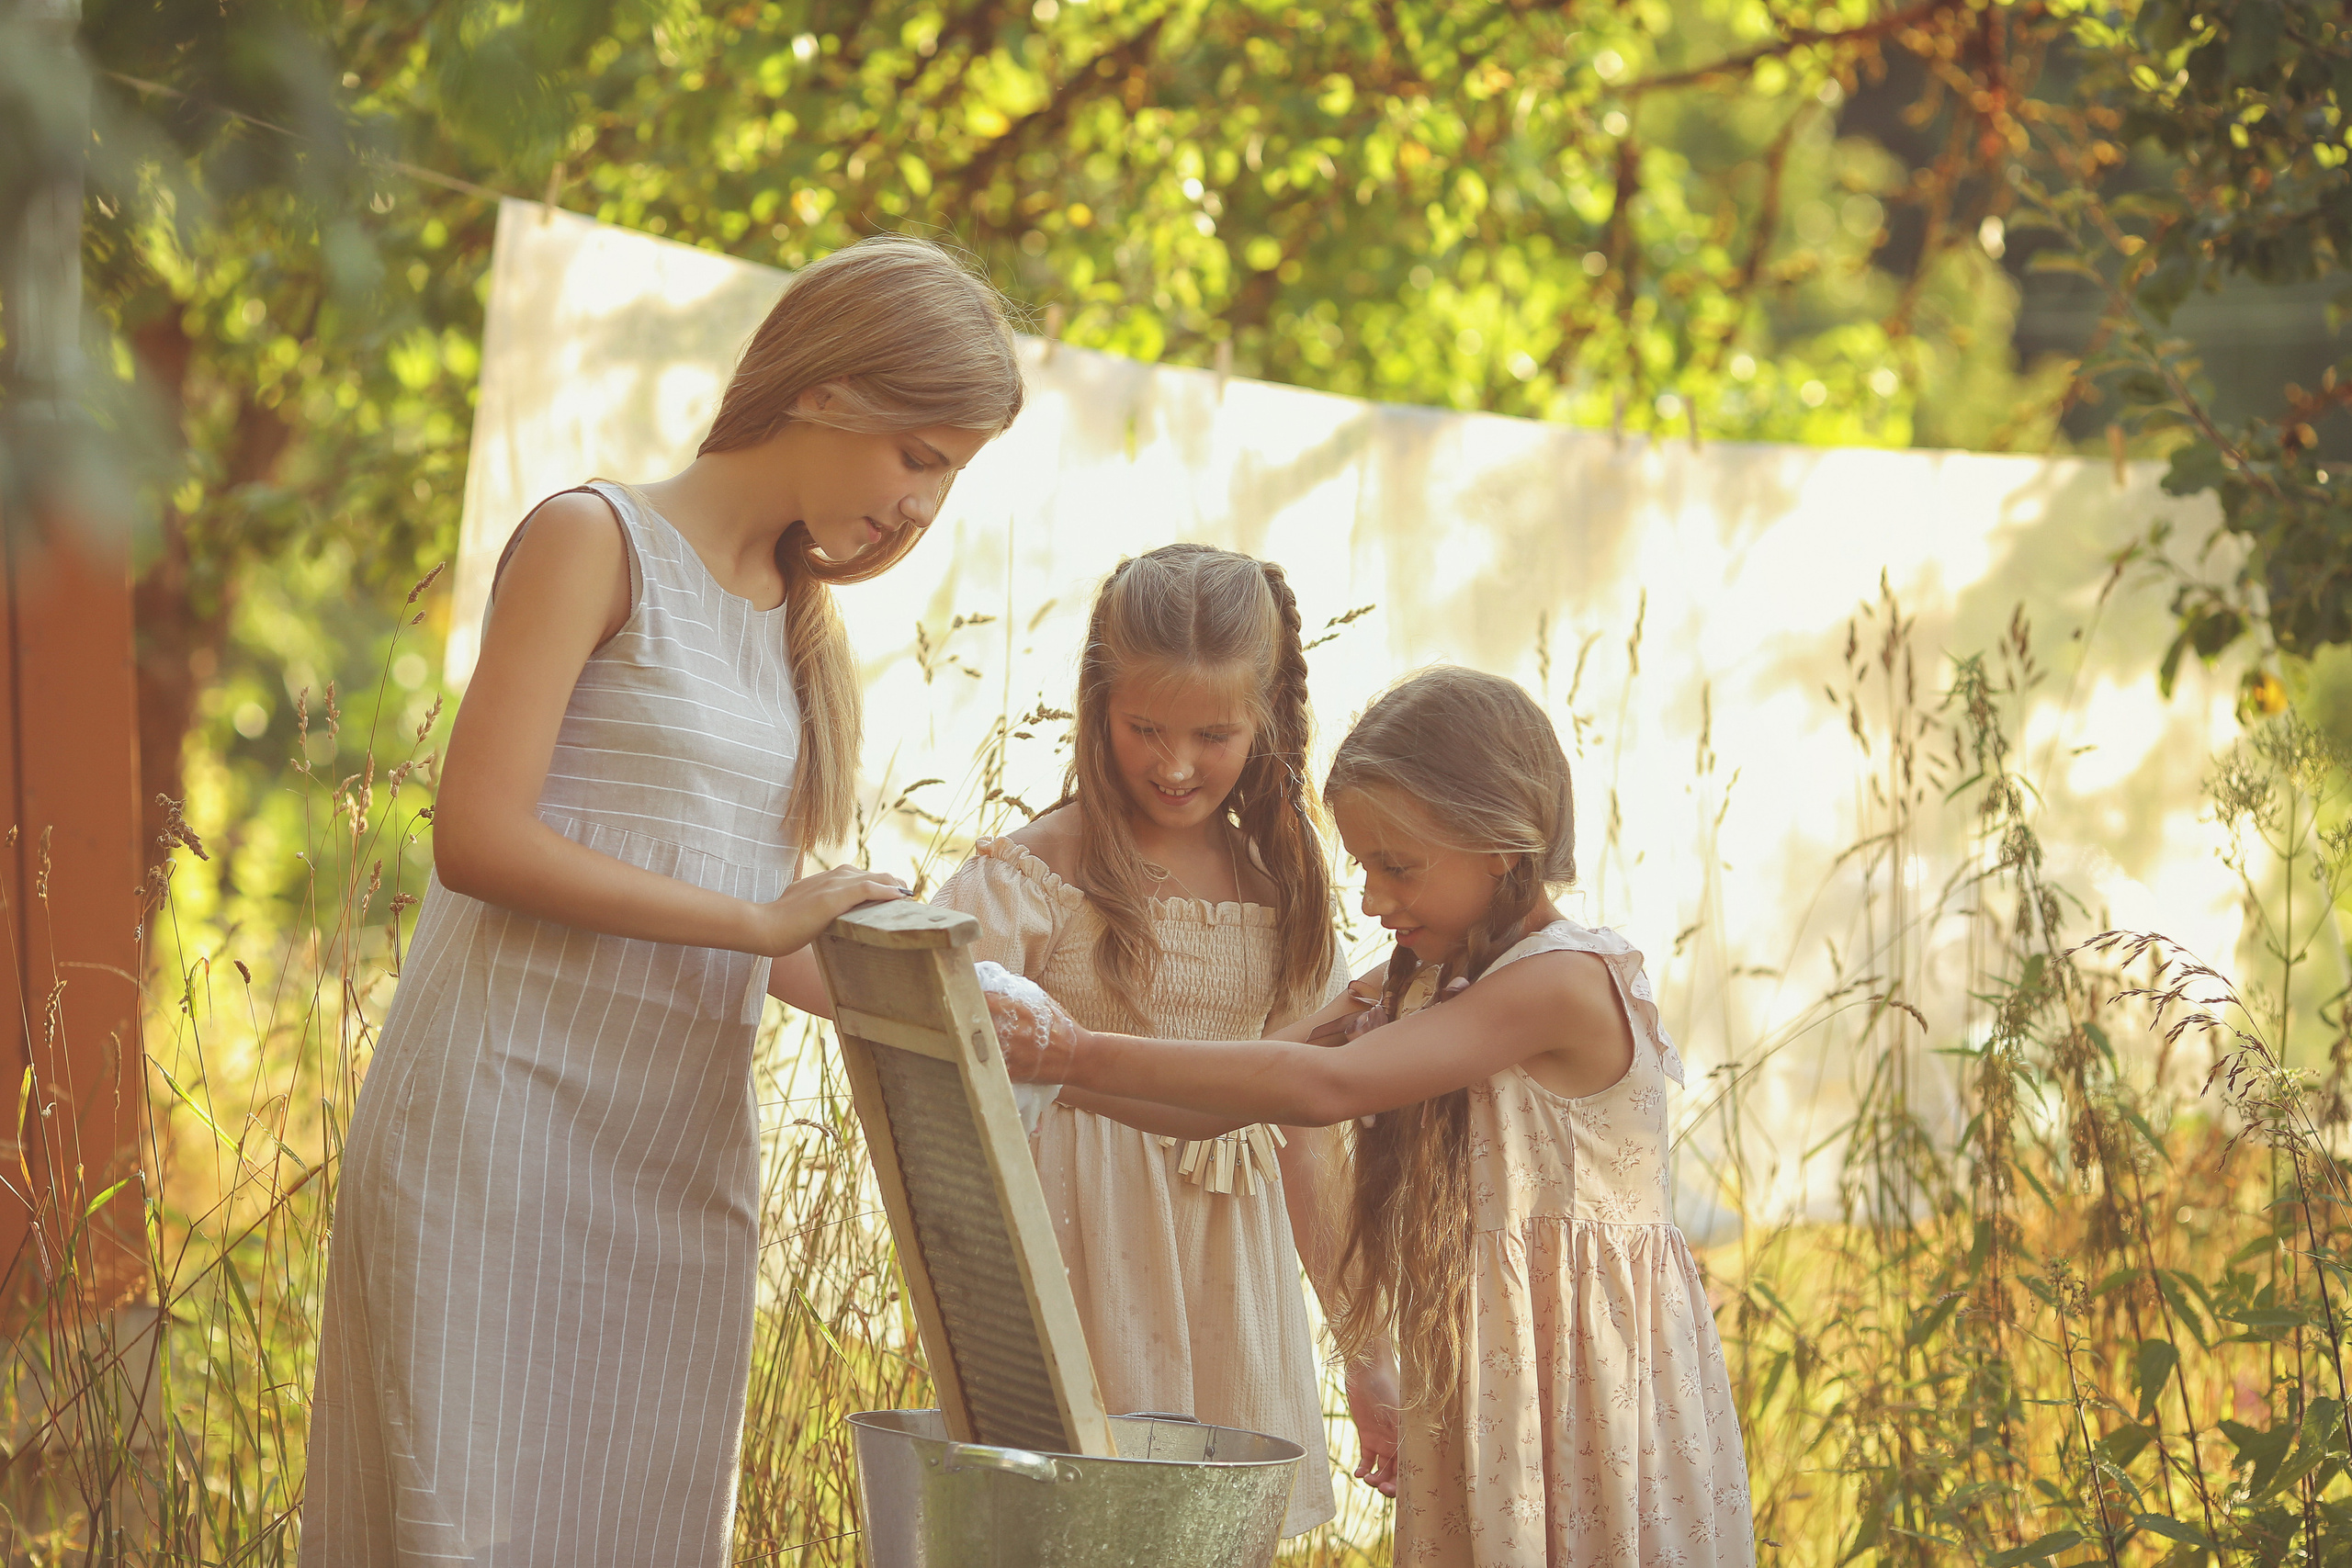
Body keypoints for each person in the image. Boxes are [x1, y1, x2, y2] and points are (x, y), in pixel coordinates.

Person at [302, 235, 1022, 1566]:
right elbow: (477, 835)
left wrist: (958, 1002)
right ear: (828, 390)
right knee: (456, 1520)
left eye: (951, 479)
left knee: (638, 1525)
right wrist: (759, 920)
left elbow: (755, 919)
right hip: (500, 1129)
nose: (922, 507)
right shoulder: (597, 536)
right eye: (920, 456)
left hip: (674, 1153)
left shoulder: (793, 625)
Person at [985, 666, 1757, 1566]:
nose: (1372, 898)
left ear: (1502, 847)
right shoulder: (1420, 983)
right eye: (1362, 864)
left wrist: (1073, 1050)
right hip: (1491, 1371)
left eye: (1399, 866)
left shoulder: (1563, 982)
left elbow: (1324, 1088)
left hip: (1590, 1377)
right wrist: (1030, 1073)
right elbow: (1227, 1102)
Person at [926, 543, 1390, 1539]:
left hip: (1230, 1275)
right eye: (1144, 728)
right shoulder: (1031, 876)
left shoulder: (1285, 887)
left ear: (1265, 720)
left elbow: (1309, 1129)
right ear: (1098, 707)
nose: (1175, 765)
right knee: (1073, 1530)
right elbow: (933, 1066)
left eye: (1213, 734)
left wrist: (1363, 1345)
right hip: (1077, 1259)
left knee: (1211, 1534)